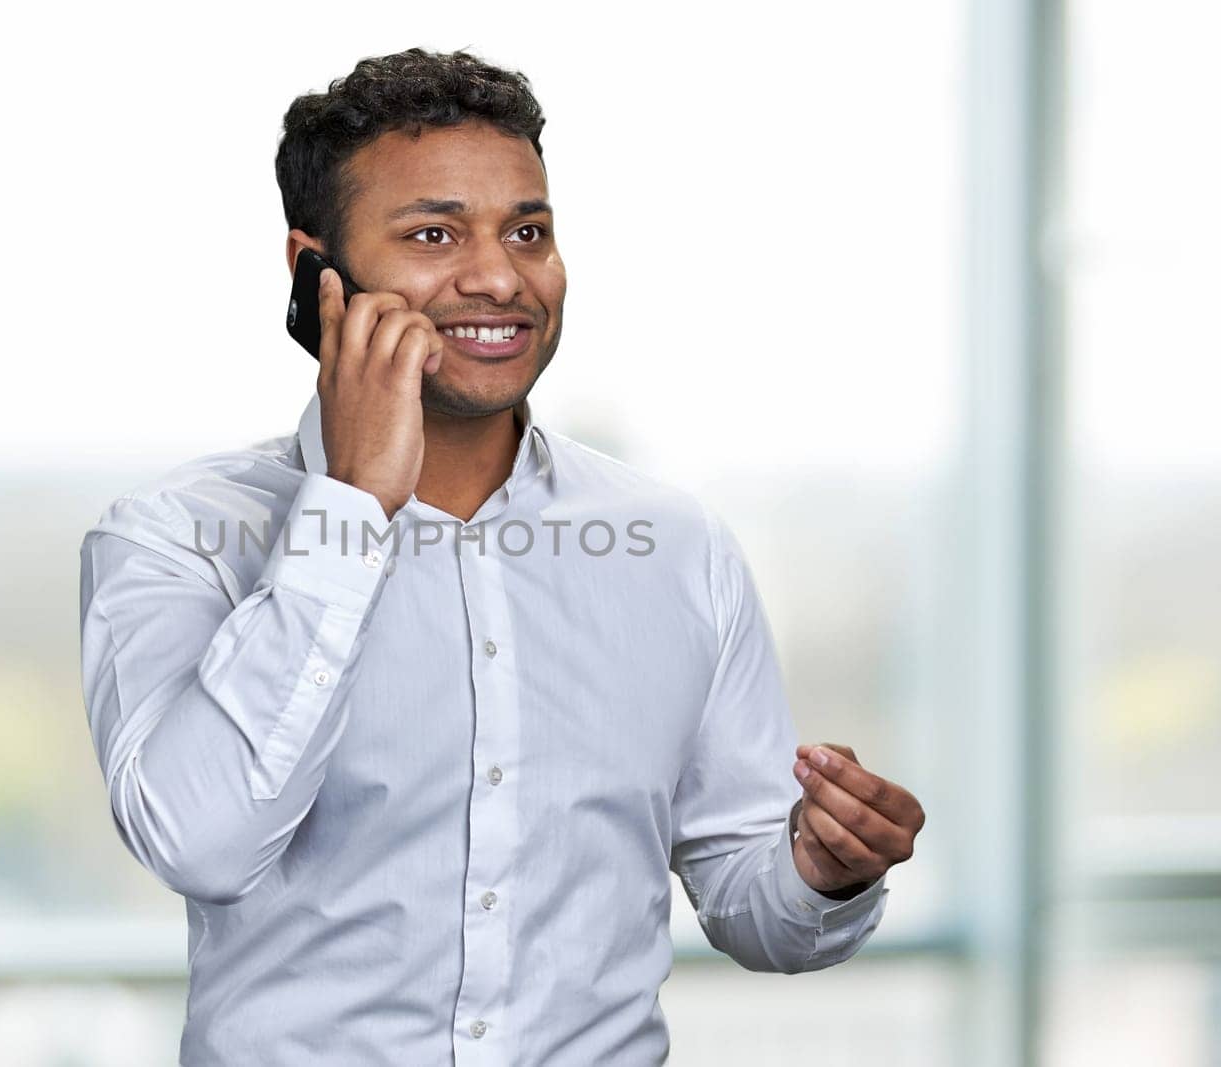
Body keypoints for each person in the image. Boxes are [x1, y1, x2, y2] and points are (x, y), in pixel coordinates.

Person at [78, 46, 926, 1065]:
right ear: (313, 269)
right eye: (434, 233)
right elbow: (202, 842)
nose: (497, 275)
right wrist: (348, 509)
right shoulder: (177, 537)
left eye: (527, 230)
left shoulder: (673, 546)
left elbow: (750, 906)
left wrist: (820, 870)